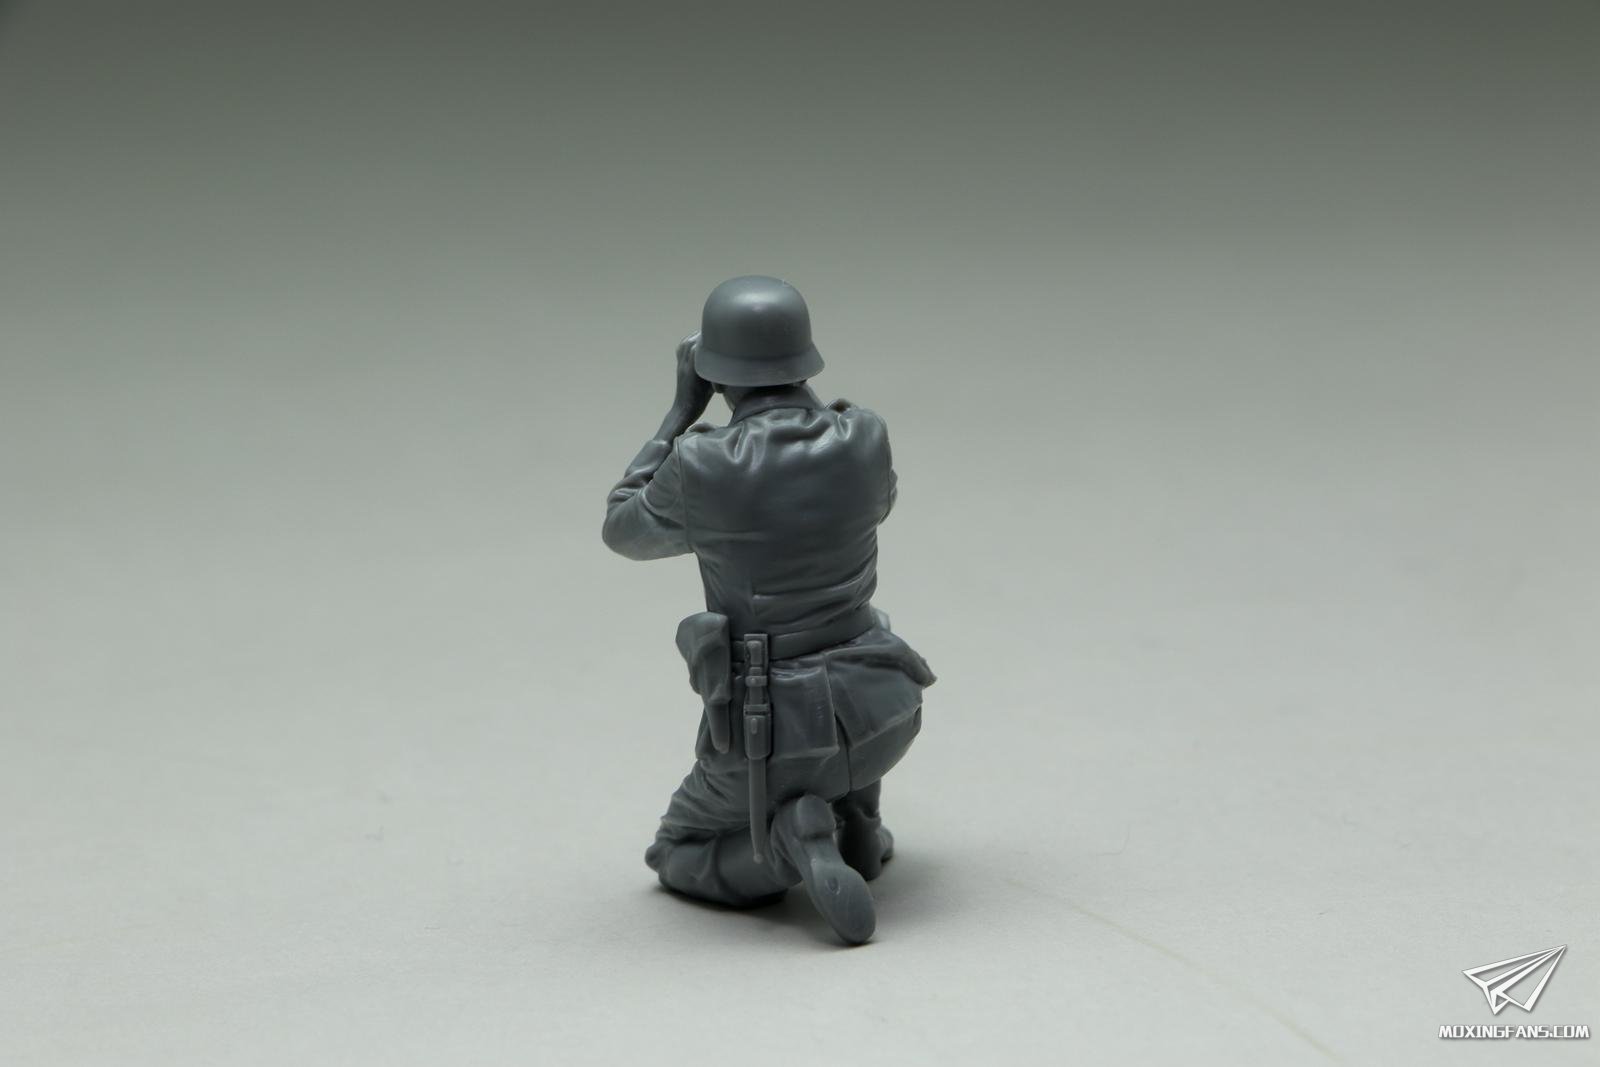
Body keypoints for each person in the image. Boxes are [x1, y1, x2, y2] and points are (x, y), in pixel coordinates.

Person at [602, 275, 934, 945]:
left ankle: (787, 846)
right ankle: (860, 824)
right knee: (847, 690)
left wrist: (679, 411)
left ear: (714, 369)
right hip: (888, 708)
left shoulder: (702, 464)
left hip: (775, 736)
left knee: (677, 851)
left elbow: (622, 529)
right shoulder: (865, 433)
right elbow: (881, 501)